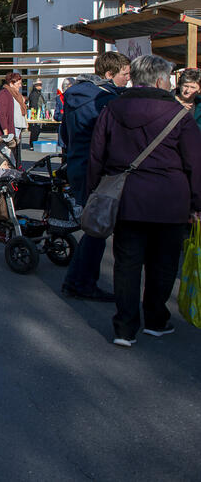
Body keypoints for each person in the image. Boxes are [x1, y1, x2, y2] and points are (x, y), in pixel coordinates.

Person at [87, 55, 201, 347]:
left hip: (127, 197)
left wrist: (94, 192)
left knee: (127, 263)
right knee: (163, 263)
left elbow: (96, 155)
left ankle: (124, 327)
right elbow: (195, 163)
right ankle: (156, 319)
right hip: (170, 200)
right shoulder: (179, 115)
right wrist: (197, 203)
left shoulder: (112, 109)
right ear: (162, 80)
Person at [60, 51, 131, 302]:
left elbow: (65, 135)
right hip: (96, 168)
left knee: (94, 227)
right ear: (110, 74)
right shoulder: (105, 100)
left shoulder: (75, 95)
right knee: (97, 229)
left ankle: (77, 280)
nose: (127, 81)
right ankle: (80, 282)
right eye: (125, 75)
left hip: (78, 165)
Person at [0, 72, 27, 167]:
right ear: (11, 83)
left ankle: (16, 171)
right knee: (9, 155)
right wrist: (5, 130)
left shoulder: (16, 95)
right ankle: (12, 173)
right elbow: (1, 113)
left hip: (16, 128)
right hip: (9, 130)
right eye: (18, 84)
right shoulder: (4, 93)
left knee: (15, 154)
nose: (20, 86)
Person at [27, 79, 46, 147]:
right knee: (35, 130)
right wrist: (34, 115)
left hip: (38, 113)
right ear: (35, 86)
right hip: (35, 114)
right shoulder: (34, 94)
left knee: (37, 130)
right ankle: (32, 144)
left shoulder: (38, 93)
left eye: (41, 84)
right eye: (39, 85)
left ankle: (34, 143)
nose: (41, 86)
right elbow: (33, 105)